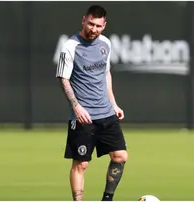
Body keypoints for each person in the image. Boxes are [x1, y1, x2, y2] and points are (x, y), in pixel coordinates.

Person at [55, 5, 128, 201]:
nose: (93, 29)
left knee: (120, 156)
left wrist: (114, 104)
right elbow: (63, 78)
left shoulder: (105, 43)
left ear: (104, 25)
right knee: (81, 165)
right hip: (84, 117)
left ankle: (107, 199)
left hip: (107, 113)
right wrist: (76, 106)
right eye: (90, 24)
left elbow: (106, 74)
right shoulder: (70, 46)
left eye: (98, 25)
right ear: (83, 20)